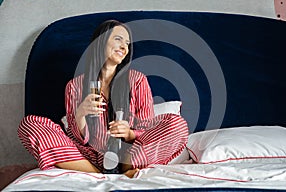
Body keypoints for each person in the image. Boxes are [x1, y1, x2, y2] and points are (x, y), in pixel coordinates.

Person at [18, 20, 189, 177]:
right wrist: (80, 115)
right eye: (118, 39)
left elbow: (146, 125)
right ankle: (97, 174)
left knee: (177, 124)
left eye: (127, 44)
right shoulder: (75, 86)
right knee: (31, 124)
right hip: (86, 156)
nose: (124, 47)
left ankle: (124, 168)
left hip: (128, 153)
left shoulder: (137, 80)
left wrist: (129, 133)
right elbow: (76, 138)